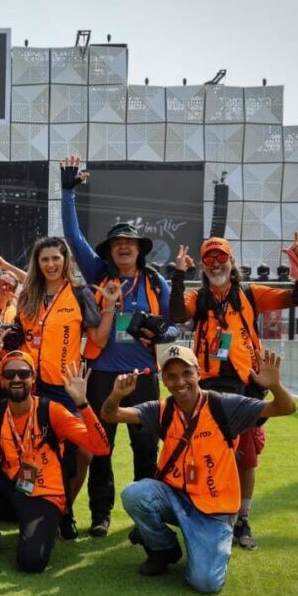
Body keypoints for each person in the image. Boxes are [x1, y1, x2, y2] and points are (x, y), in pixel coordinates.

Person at [102, 345, 296, 593]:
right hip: (176, 497)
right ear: (163, 379)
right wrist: (117, 395)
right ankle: (164, 551)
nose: (180, 382)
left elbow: (286, 408)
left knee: (205, 584)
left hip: (214, 509)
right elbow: (111, 415)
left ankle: (212, 544)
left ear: (198, 373)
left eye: (186, 373)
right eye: (171, 376)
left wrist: (276, 386)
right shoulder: (162, 409)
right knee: (134, 494)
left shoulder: (223, 406)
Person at [58, 155, 180, 538]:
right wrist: (67, 193)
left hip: (144, 376)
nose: (123, 248)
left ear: (139, 249)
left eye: (129, 243)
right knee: (99, 446)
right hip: (103, 377)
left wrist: (163, 335)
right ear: (109, 251)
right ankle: (100, 514)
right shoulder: (98, 273)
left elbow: (174, 326)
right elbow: (73, 238)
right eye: (117, 243)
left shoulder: (155, 281)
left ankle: (146, 518)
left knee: (145, 448)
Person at [169, 235, 298, 550]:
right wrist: (179, 274)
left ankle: (242, 518)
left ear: (232, 263)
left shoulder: (251, 294)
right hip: (205, 387)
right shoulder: (198, 298)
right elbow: (177, 314)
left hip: (246, 386)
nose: (216, 264)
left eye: (222, 258)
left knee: (245, 456)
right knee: (203, 453)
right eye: (210, 260)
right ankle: (203, 512)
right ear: (203, 267)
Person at [0, 354, 110, 572]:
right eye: (9, 374)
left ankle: (51, 523)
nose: (16, 378)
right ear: (2, 380)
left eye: (23, 374)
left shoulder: (51, 410)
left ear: (33, 379)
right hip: (9, 488)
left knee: (31, 563)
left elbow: (101, 448)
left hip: (42, 493)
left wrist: (82, 403)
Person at [15, 237, 106, 540]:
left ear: (66, 261)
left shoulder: (81, 295)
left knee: (82, 451)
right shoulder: (27, 295)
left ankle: (65, 510)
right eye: (45, 260)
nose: (51, 265)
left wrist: (111, 309)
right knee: (31, 452)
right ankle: (31, 510)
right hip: (30, 387)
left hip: (65, 389)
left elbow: (99, 340)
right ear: (37, 264)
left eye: (56, 258)